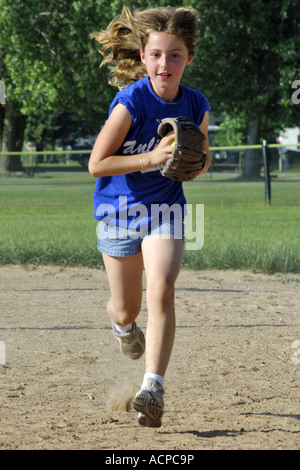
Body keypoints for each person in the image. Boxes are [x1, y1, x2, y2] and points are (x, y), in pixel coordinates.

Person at [89, 5, 210, 428]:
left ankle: (152, 387)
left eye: (175, 54)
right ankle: (123, 328)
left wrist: (191, 162)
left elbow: (203, 160)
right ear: (143, 57)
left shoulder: (196, 104)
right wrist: (151, 158)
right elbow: (96, 164)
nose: (165, 63)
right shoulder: (130, 102)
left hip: (165, 210)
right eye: (157, 54)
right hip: (118, 213)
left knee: (161, 289)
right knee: (125, 309)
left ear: (189, 58)